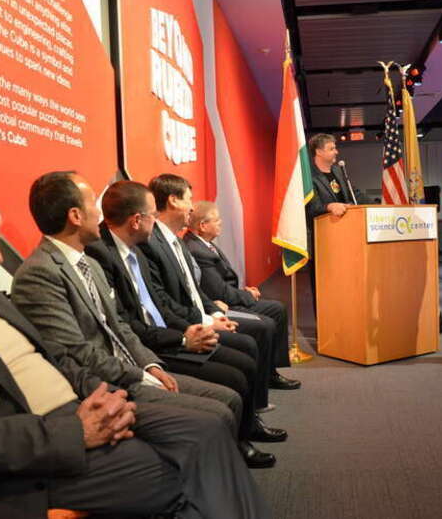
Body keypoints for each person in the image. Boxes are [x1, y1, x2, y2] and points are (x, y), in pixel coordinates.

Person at [0, 184, 269, 518]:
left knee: (208, 429)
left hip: (86, 403)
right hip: (45, 444)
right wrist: (76, 431)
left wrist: (109, 394)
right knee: (175, 474)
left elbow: (59, 357)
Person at [85, 180, 275, 468]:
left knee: (243, 360)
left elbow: (159, 304)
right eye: (152, 215)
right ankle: (236, 447)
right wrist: (183, 339)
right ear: (136, 221)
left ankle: (244, 434)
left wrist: (188, 329)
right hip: (150, 346)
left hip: (165, 333)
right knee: (235, 376)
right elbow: (126, 323)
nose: (155, 220)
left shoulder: (136, 249)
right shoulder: (101, 254)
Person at [137, 174, 287, 443]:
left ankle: (251, 419)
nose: (192, 207)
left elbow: (195, 292)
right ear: (173, 200)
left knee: (252, 340)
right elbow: (163, 303)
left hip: (200, 316)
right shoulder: (152, 244)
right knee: (246, 349)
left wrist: (215, 314)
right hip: (179, 329)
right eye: (189, 199)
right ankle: (245, 431)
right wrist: (206, 321)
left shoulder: (174, 241)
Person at [185, 200, 300, 391]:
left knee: (277, 309)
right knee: (269, 319)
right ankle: (268, 374)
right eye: (217, 220)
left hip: (228, 298)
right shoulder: (197, 250)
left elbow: (222, 284)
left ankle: (270, 370)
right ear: (203, 226)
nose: (221, 223)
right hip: (221, 305)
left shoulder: (204, 245)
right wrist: (248, 296)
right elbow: (219, 292)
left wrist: (243, 292)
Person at [304, 133, 355, 312]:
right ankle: (324, 322)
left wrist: (372, 204)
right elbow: (311, 208)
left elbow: (352, 194)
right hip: (323, 242)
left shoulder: (338, 172)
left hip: (345, 238)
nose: (336, 151)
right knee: (324, 287)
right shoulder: (309, 177)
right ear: (318, 152)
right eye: (331, 148)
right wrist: (329, 206)